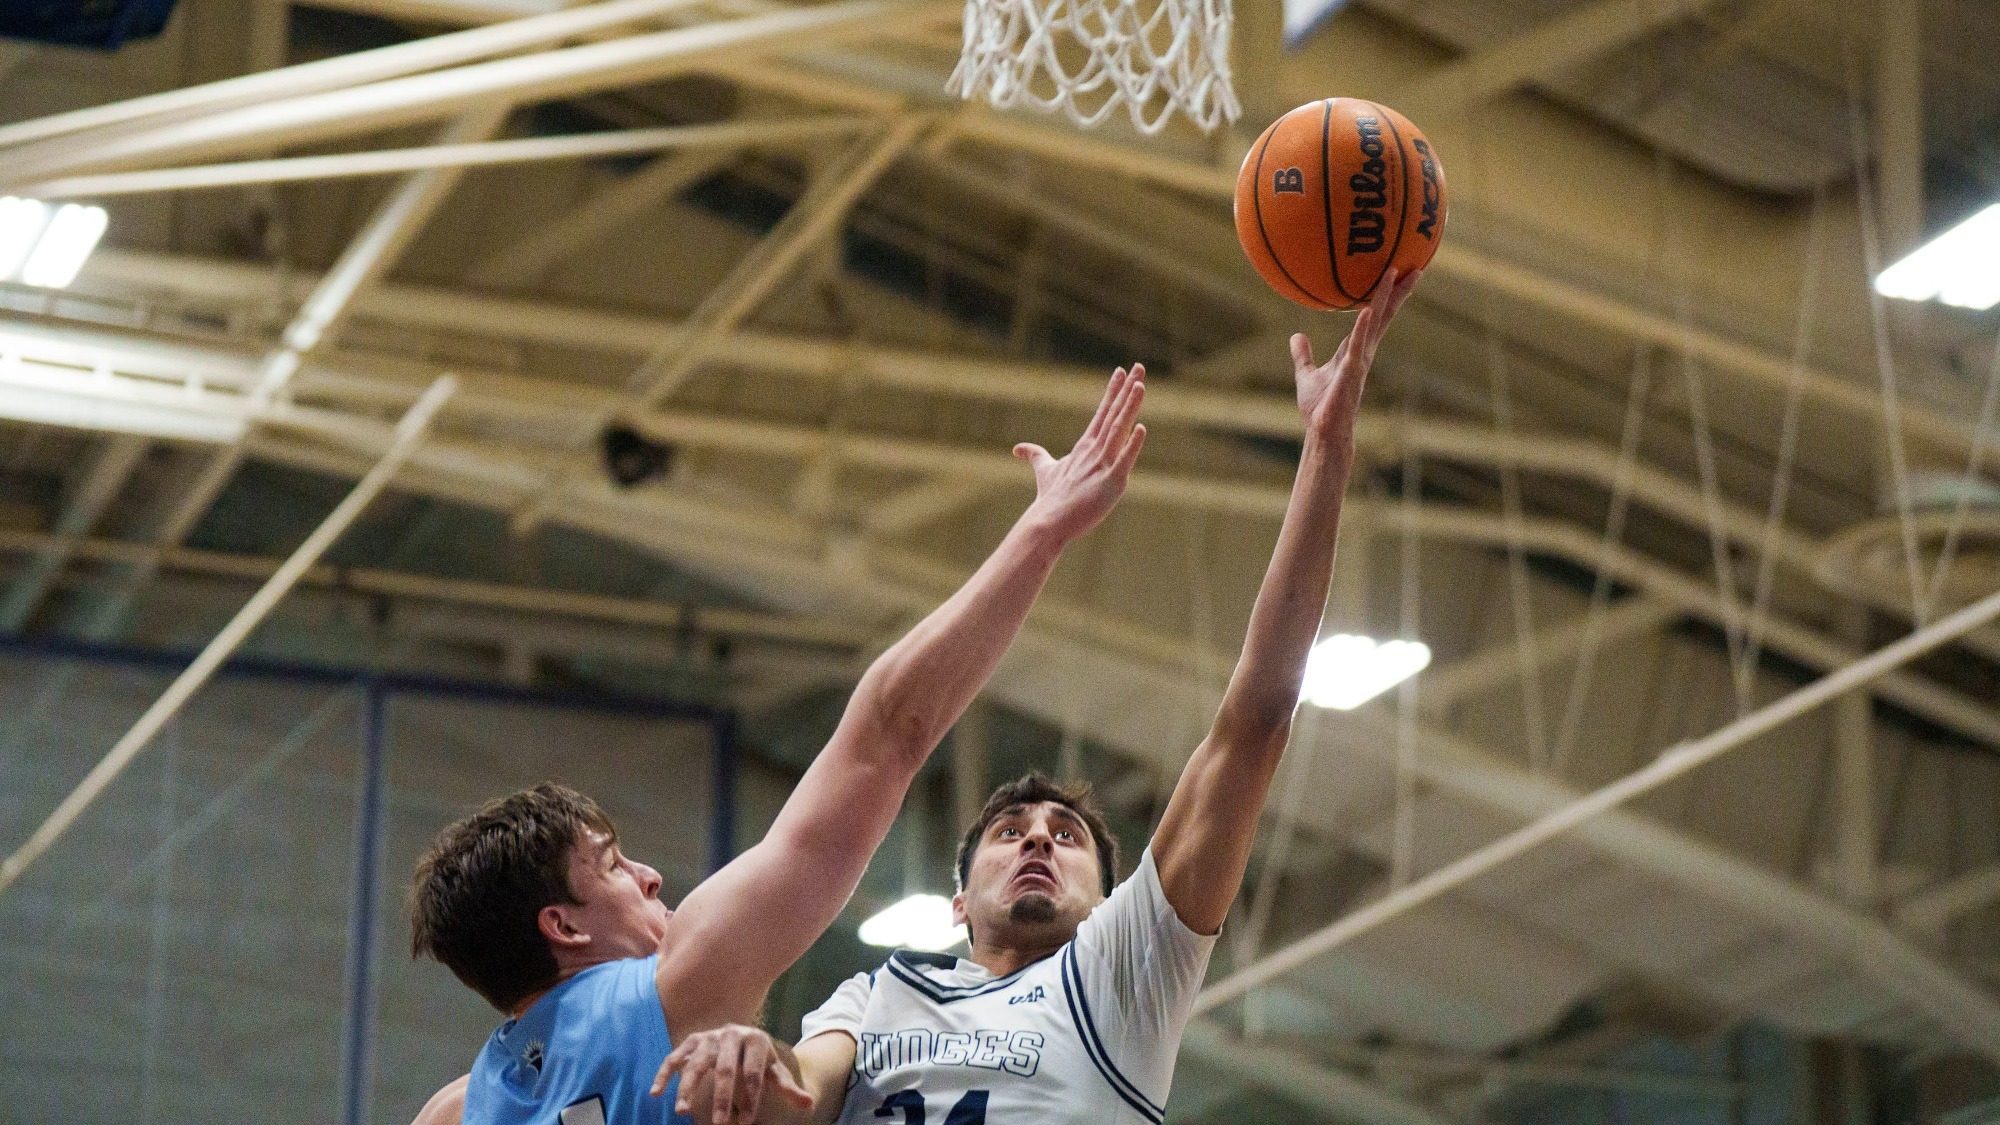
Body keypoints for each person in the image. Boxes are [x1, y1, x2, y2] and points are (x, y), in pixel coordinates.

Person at [656, 269, 1423, 1125]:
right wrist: (750, 1056)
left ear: (1107, 899)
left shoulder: (1123, 967)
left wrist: (1327, 447)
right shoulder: (880, 994)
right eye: (1008, 833)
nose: (1037, 843)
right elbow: (792, 1098)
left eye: (1065, 837)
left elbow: (1256, 718)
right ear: (957, 903)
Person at [406, 363, 1152, 1125]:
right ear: (563, 925)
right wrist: (1043, 530)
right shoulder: (679, 978)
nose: (652, 875)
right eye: (613, 865)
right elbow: (887, 735)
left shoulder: (452, 1112)